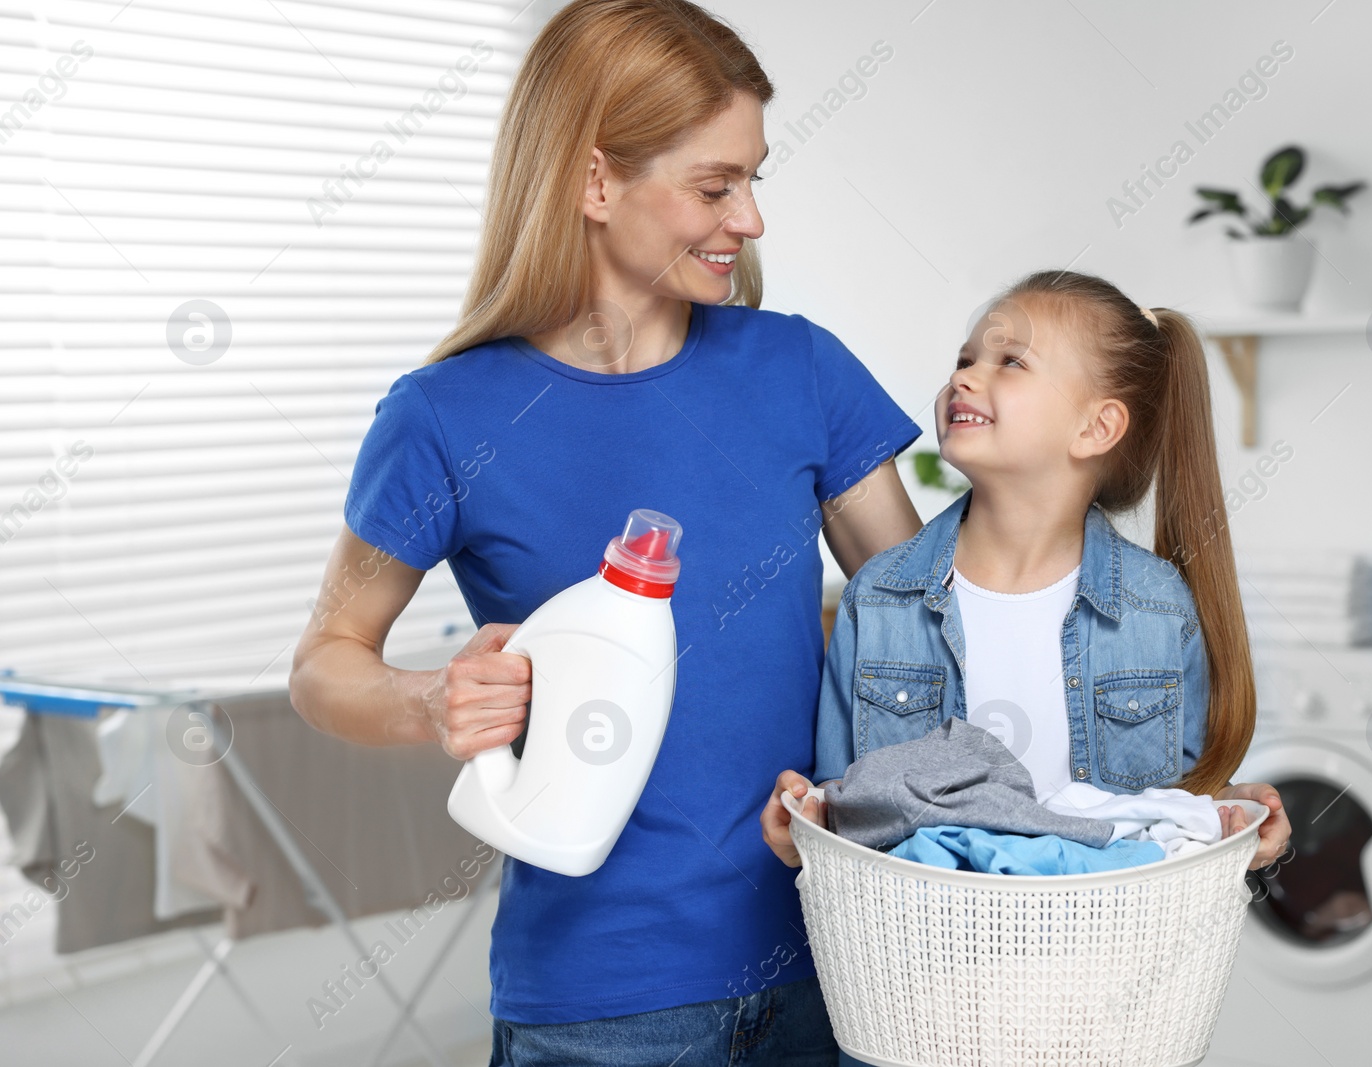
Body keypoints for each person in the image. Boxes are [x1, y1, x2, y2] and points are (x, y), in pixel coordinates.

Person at [288, 2, 924, 1064]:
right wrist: (431, 698)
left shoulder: (799, 370)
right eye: (716, 186)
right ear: (593, 183)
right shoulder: (443, 416)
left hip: (838, 962)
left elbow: (934, 614)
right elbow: (322, 665)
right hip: (603, 999)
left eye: (753, 179)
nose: (751, 220)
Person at [762, 271, 1292, 874]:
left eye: (1010, 362)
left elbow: (1173, 813)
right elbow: (849, 801)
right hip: (927, 944)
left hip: (1105, 942)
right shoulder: (879, 598)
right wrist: (808, 821)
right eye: (965, 359)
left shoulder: (1158, 606)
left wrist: (1227, 818)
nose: (963, 376)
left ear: (1096, 427)